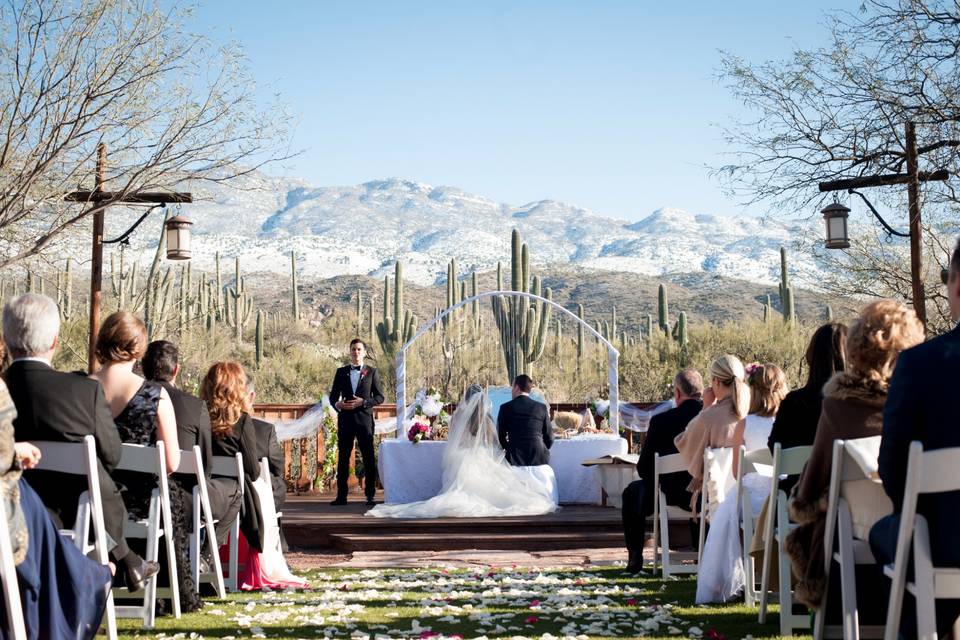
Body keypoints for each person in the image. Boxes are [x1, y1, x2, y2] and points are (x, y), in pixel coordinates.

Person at [2, 294, 158, 593]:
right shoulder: (82, 392)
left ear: (6, 340)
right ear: (54, 342)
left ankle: (125, 562)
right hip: (73, 514)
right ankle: (120, 564)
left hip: (10, 510)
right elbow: (111, 455)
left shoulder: (4, 389)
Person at [786, 299, 923, 611]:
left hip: (855, 533)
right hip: (922, 529)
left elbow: (807, 493)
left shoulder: (839, 406)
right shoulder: (922, 402)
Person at [870, 240, 960, 639]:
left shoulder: (922, 364)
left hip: (947, 545)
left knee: (892, 534)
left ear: (958, 287)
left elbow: (894, 469)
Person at [89, 311, 201, 612]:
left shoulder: (82, 389)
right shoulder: (155, 395)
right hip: (141, 502)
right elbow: (171, 462)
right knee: (172, 496)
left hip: (90, 501)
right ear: (139, 349)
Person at [0, 377, 112, 639]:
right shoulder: (87, 390)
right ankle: (96, 573)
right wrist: (12, 454)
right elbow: (113, 455)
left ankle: (97, 571)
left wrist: (13, 451)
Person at [367, 384, 557, 518]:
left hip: (463, 457)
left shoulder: (458, 417)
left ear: (466, 400)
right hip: (482, 457)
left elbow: (453, 440)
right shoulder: (486, 418)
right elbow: (495, 442)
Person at [201, 362, 305, 590]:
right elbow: (252, 469)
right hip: (239, 498)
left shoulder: (199, 418)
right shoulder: (243, 422)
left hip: (202, 492)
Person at [696, 362, 788, 603]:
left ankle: (739, 578)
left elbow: (738, 472)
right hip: (785, 500)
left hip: (754, 501)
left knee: (730, 514)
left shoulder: (746, 424)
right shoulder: (790, 422)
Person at [142, 340, 241, 548]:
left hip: (135, 500)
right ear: (176, 370)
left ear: (143, 367)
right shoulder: (195, 407)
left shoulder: (129, 401)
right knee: (235, 490)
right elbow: (204, 466)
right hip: (184, 504)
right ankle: (206, 555)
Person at [621, 368, 704, 573]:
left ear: (677, 393)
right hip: (705, 495)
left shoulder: (661, 421)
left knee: (632, 492)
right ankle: (700, 551)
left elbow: (644, 468)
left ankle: (635, 557)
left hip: (668, 493)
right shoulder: (711, 418)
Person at [674, 354, 750, 512]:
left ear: (716, 382)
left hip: (719, 503)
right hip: (750, 500)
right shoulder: (753, 412)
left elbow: (683, 441)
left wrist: (706, 408)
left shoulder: (709, 417)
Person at [328, 339, 384, 506]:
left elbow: (380, 397)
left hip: (364, 421)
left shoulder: (372, 372)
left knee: (368, 457)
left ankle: (370, 495)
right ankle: (341, 496)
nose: (356, 352)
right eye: (353, 349)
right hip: (345, 420)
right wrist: (338, 404)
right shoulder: (340, 372)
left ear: (364, 352)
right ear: (350, 351)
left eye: (359, 349)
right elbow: (332, 397)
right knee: (343, 458)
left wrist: (364, 402)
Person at [496, 374, 558, 504]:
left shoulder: (505, 408)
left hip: (515, 458)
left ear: (517, 387)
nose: (512, 391)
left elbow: (500, 436)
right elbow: (550, 437)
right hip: (539, 457)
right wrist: (541, 448)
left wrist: (509, 449)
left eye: (512, 387)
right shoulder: (541, 407)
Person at [245, 376, 287, 551]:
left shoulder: (212, 427)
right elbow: (279, 466)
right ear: (251, 396)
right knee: (276, 484)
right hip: (255, 497)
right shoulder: (264, 431)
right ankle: (276, 545)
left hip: (219, 496)